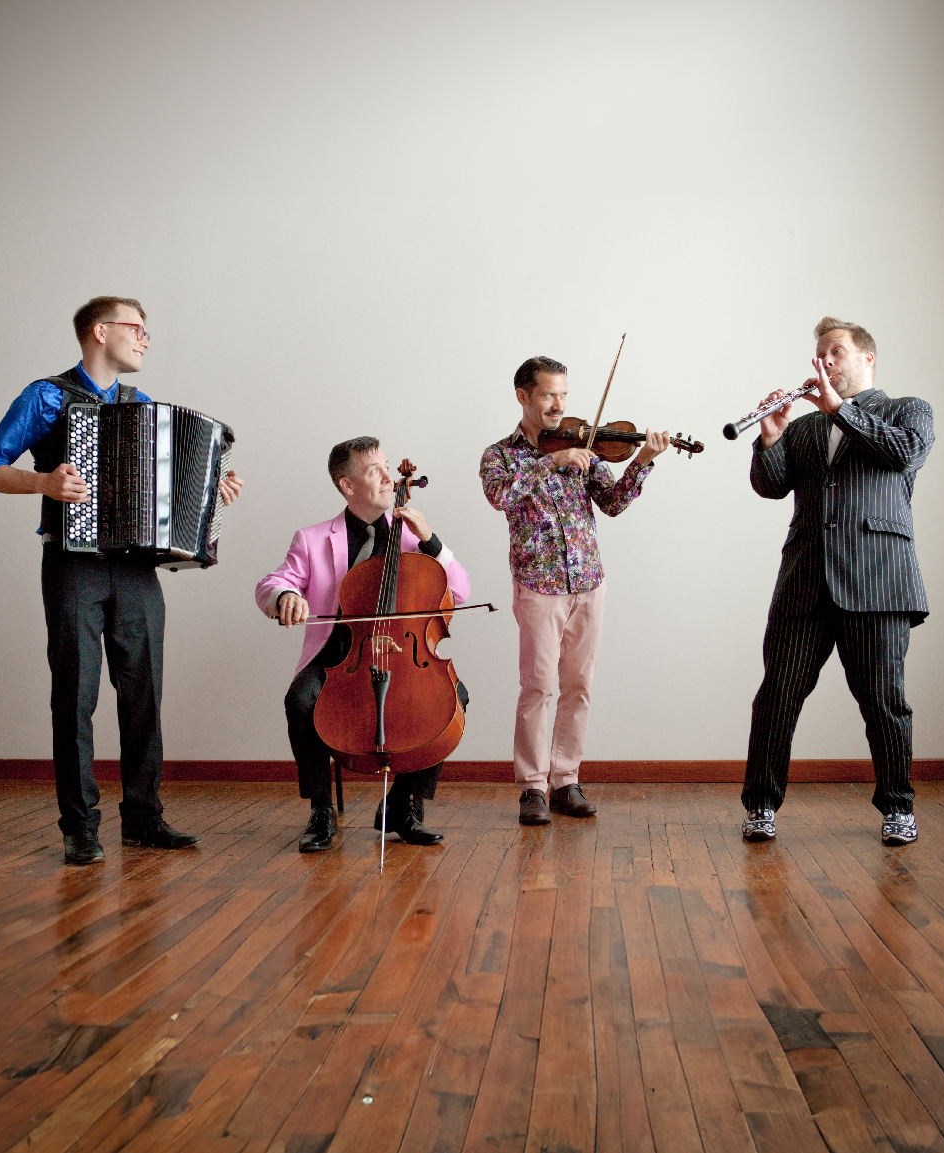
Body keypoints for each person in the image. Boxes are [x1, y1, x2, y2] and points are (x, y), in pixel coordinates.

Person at [0, 296, 243, 865]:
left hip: (137, 568)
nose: (145, 339)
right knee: (75, 697)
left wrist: (210, 489)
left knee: (144, 695)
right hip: (74, 563)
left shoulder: (141, 406)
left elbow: (165, 493)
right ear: (99, 331)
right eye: (136, 328)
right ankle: (80, 827)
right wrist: (44, 483)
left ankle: (144, 818)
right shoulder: (47, 395)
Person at [740, 316, 934, 846]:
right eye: (819, 353)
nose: (822, 361)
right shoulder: (804, 427)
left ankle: (897, 807)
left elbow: (904, 453)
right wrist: (771, 438)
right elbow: (770, 487)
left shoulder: (906, 411)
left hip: (878, 585)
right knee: (777, 697)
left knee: (884, 701)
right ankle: (760, 805)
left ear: (866, 358)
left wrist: (842, 412)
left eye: (836, 352)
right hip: (804, 583)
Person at [480, 357, 671, 825]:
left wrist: (643, 461)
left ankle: (566, 781)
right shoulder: (501, 455)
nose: (558, 405)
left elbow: (612, 504)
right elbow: (500, 496)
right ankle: (532, 788)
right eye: (548, 395)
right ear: (523, 396)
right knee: (538, 687)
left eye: (563, 394)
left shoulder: (583, 446)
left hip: (588, 580)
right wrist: (551, 463)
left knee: (579, 686)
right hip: (538, 584)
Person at [256, 437, 471, 852]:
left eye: (388, 466)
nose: (389, 477)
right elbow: (273, 583)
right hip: (339, 659)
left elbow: (459, 590)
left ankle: (404, 807)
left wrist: (431, 540)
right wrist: (285, 597)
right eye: (375, 470)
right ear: (347, 485)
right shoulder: (313, 539)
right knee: (300, 699)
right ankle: (321, 811)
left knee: (452, 699)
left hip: (401, 655)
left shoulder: (411, 538)